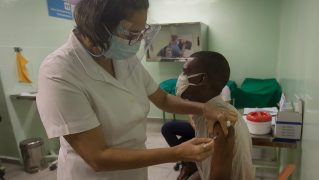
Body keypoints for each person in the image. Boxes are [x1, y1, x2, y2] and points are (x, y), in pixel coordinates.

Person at [36, 1, 238, 180]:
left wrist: (204, 108)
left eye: (141, 32)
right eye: (132, 33)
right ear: (98, 27)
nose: (138, 40)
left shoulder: (121, 56)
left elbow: (163, 100)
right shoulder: (59, 71)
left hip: (134, 169)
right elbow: (97, 157)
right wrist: (177, 153)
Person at [176, 51, 254, 180]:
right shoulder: (210, 112)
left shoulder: (221, 123)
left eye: (185, 72)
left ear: (202, 79)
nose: (180, 78)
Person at [161, 85, 232, 180]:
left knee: (186, 139)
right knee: (167, 128)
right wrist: (194, 124)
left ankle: (190, 164)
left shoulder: (224, 89)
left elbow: (223, 113)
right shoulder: (197, 87)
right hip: (196, 125)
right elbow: (190, 112)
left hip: (210, 128)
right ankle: (187, 162)